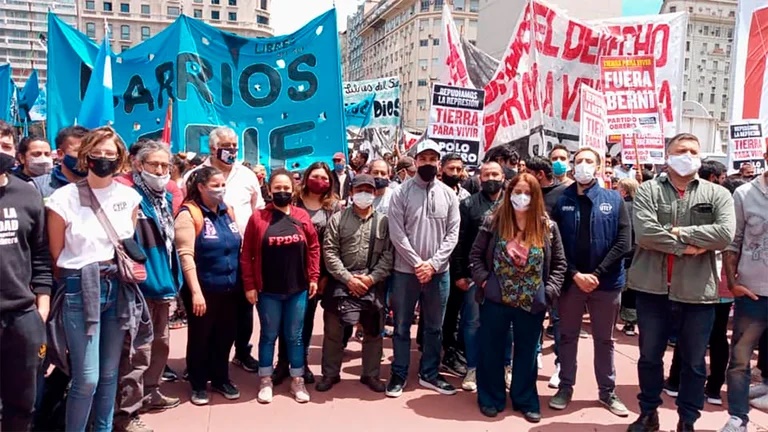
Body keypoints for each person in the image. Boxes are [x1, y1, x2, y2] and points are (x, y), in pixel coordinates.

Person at [626, 133, 735, 432]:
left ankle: (687, 419)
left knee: (694, 362)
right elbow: (645, 233)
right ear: (667, 155)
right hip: (652, 290)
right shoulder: (648, 190)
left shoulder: (718, 194)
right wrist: (689, 244)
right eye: (681, 150)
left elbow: (724, 234)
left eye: (693, 150)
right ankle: (649, 413)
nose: (687, 155)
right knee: (649, 357)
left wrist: (676, 233)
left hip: (698, 293)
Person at [45, 126, 150, 432]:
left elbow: (125, 246)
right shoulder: (63, 198)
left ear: (119, 159)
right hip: (80, 288)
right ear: (85, 155)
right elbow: (56, 254)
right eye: (97, 153)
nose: (103, 158)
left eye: (110, 153)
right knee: (86, 377)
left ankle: (102, 428)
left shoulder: (129, 197)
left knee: (108, 374)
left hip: (117, 286)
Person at [469, 173, 566, 422]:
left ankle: (525, 399)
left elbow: (559, 264)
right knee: (491, 349)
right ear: (509, 192)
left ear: (535, 197)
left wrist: (549, 291)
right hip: (496, 299)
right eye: (517, 191)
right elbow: (476, 256)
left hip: (531, 303)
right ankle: (490, 397)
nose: (522, 197)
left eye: (527, 193)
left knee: (526, 352)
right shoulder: (493, 221)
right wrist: (484, 282)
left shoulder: (547, 227)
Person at [549, 147, 631, 417]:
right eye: (579, 161)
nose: (583, 165)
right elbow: (554, 243)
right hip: (571, 282)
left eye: (588, 161)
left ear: (598, 166)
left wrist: (597, 273)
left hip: (605, 284)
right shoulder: (562, 200)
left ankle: (607, 391)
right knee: (568, 336)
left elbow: (624, 242)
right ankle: (565, 387)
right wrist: (574, 274)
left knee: (604, 340)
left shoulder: (613, 199)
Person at [183, 126, 264, 374]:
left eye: (234, 147)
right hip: (208, 253)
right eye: (226, 147)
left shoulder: (247, 175)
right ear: (212, 148)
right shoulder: (196, 175)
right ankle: (198, 362)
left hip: (242, 253)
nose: (231, 151)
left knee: (243, 306)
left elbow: (257, 209)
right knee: (205, 312)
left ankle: (241, 352)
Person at [114, 141, 182, 432]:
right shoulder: (127, 197)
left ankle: (151, 392)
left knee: (161, 345)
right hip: (139, 287)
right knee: (135, 353)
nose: (160, 170)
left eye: (165, 166)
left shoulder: (165, 197)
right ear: (138, 165)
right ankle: (125, 414)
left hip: (164, 285)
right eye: (154, 164)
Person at [386, 139, 460, 397]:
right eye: (423, 158)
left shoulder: (449, 195)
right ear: (415, 161)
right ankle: (399, 372)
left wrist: (434, 263)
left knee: (434, 327)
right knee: (402, 325)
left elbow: (453, 233)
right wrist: (418, 263)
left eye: (432, 159)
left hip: (439, 274)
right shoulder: (400, 193)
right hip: (406, 272)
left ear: (438, 163)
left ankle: (429, 373)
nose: (428, 163)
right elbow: (397, 233)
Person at [240, 169, 320, 404]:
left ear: (293, 190)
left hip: (298, 289)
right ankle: (265, 379)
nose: (282, 192)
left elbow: (314, 248)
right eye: (278, 188)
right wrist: (250, 285)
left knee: (295, 336)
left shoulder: (301, 216)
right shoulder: (258, 218)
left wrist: (313, 277)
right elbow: (247, 255)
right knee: (268, 335)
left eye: (286, 188)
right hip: (268, 291)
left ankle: (297, 380)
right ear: (269, 190)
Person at [317, 174, 394, 393]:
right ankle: (330, 374)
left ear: (375, 193)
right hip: (341, 282)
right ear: (351, 193)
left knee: (372, 331)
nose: (364, 194)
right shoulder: (337, 219)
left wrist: (371, 278)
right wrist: (348, 278)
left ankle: (370, 374)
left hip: (372, 283)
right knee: (333, 331)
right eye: (359, 190)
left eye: (369, 191)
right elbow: (329, 252)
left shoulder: (384, 221)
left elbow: (388, 255)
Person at [0, 121, 52, 432]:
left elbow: (41, 255)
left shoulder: (27, 195)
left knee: (22, 403)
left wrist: (41, 304)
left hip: (22, 315)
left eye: (5, 146)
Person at [175, 166, 242, 406]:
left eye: (222, 184)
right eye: (215, 185)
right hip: (202, 290)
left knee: (225, 336)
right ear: (201, 187)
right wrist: (195, 292)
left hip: (230, 289)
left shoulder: (228, 211)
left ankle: (221, 378)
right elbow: (185, 255)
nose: (220, 189)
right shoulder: (189, 214)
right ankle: (198, 383)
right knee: (201, 336)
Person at [272, 162, 340, 386]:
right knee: (287, 320)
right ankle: (283, 363)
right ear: (307, 177)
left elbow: (334, 243)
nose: (320, 181)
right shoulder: (293, 202)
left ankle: (300, 363)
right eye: (316, 176)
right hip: (292, 271)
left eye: (325, 178)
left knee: (307, 321)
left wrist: (324, 275)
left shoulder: (334, 207)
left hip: (322, 273)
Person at [720, 151, 768, 432]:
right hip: (752, 293)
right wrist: (732, 282)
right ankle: (738, 417)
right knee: (740, 359)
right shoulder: (744, 193)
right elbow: (732, 241)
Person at [453, 161, 507, 392]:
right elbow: (460, 241)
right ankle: (472, 367)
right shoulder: (468, 205)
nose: (490, 178)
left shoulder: (513, 203)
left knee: (507, 325)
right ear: (479, 178)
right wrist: (460, 274)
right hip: (475, 275)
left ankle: (506, 366)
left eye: (495, 174)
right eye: (486, 175)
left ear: (503, 177)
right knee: (473, 323)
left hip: (508, 277)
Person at [420, 152, 470, 377]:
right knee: (432, 311)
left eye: (459, 169)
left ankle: (449, 354)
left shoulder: (467, 196)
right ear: (442, 169)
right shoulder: (433, 191)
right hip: (433, 263)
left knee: (453, 313)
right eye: (451, 169)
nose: (456, 173)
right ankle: (426, 350)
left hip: (456, 264)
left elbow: (460, 233)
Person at [32, 126, 90, 200]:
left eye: (89, 150)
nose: (85, 156)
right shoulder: (38, 188)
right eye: (79, 151)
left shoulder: (102, 186)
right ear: (60, 154)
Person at [616, 178, 639, 337]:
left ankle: (610, 318)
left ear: (623, 191)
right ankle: (630, 323)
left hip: (620, 253)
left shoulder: (620, 207)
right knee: (631, 290)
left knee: (616, 287)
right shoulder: (641, 209)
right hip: (637, 254)